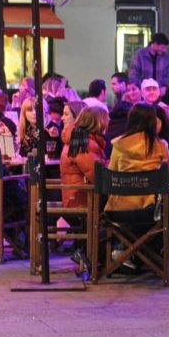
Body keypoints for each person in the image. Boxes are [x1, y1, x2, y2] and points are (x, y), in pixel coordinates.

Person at [105, 103, 169, 272]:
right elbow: (168, 175)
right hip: (150, 210)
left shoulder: (119, 145)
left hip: (118, 209)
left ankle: (124, 252)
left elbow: (111, 174)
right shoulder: (159, 146)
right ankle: (154, 259)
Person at [60, 105, 109, 264]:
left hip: (78, 194)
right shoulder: (81, 141)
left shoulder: (80, 137)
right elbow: (96, 175)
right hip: (81, 198)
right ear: (98, 122)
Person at [129, 32, 169, 98]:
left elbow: (166, 73)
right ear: (155, 44)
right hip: (143, 91)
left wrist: (164, 86)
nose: (164, 50)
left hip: (158, 91)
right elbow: (134, 72)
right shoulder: (140, 54)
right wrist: (138, 88)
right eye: (162, 47)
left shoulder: (165, 56)